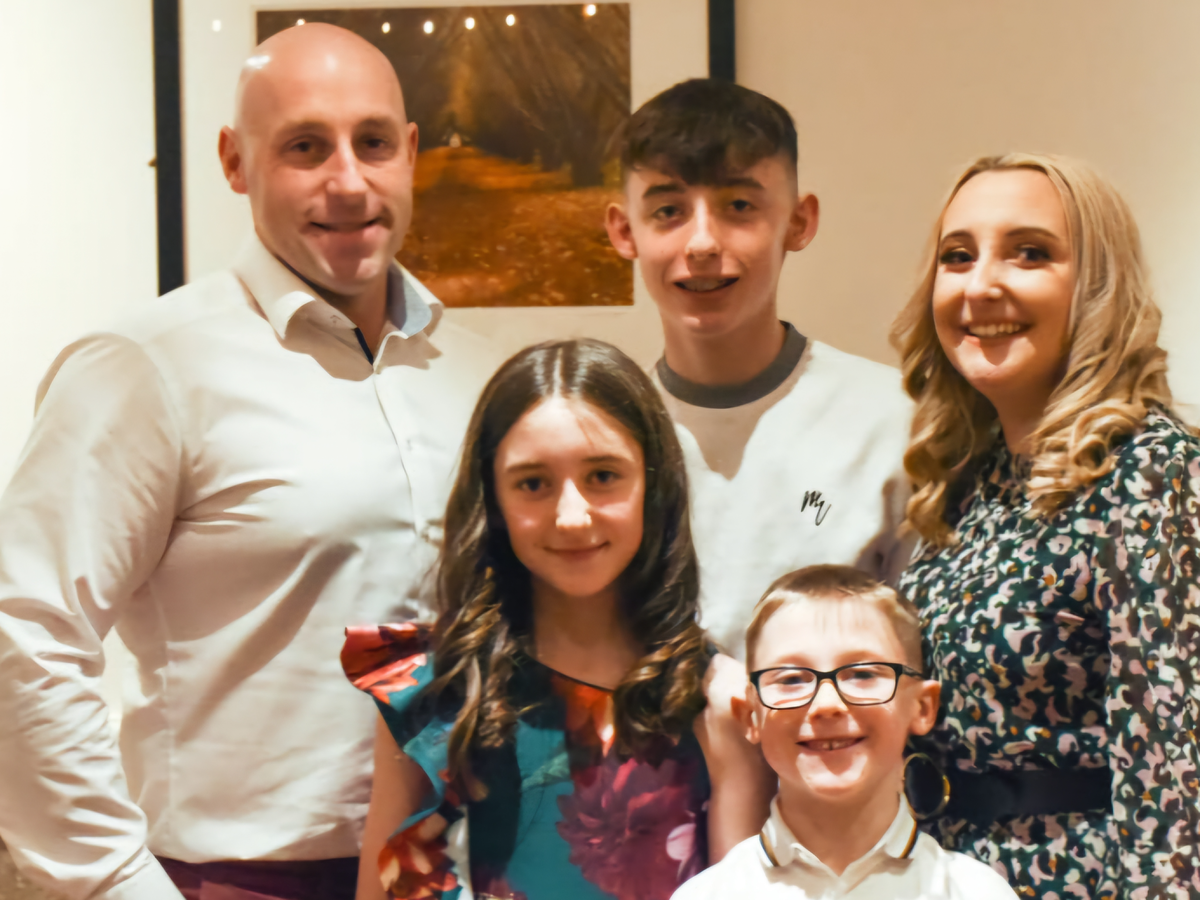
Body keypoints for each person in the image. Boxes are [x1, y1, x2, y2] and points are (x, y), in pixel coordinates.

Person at [0, 23, 498, 900]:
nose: (349, 181)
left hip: (458, 869)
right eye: (305, 147)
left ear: (412, 152)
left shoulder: (474, 373)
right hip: (240, 879)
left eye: (373, 142)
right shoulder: (147, 367)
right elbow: (24, 635)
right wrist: (116, 883)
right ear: (235, 161)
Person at [343, 339, 776, 900]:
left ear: (653, 485)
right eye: (533, 484)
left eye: (603, 476)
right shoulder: (428, 685)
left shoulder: (717, 702)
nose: (572, 517)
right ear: (493, 499)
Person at [893, 153, 1200, 897]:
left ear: (1096, 286)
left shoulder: (1150, 471)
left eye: (1029, 253)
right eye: (957, 256)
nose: (981, 285)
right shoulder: (970, 479)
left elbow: (1171, 775)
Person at [604, 79, 913, 657]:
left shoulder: (894, 423)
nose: (701, 243)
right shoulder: (602, 436)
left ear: (798, 221)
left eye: (739, 207)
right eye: (668, 211)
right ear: (625, 232)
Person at [671, 565, 1018, 899]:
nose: (827, 704)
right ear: (750, 716)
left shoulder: (976, 892)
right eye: (791, 679)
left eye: (863, 674)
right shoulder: (707, 895)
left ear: (922, 707)